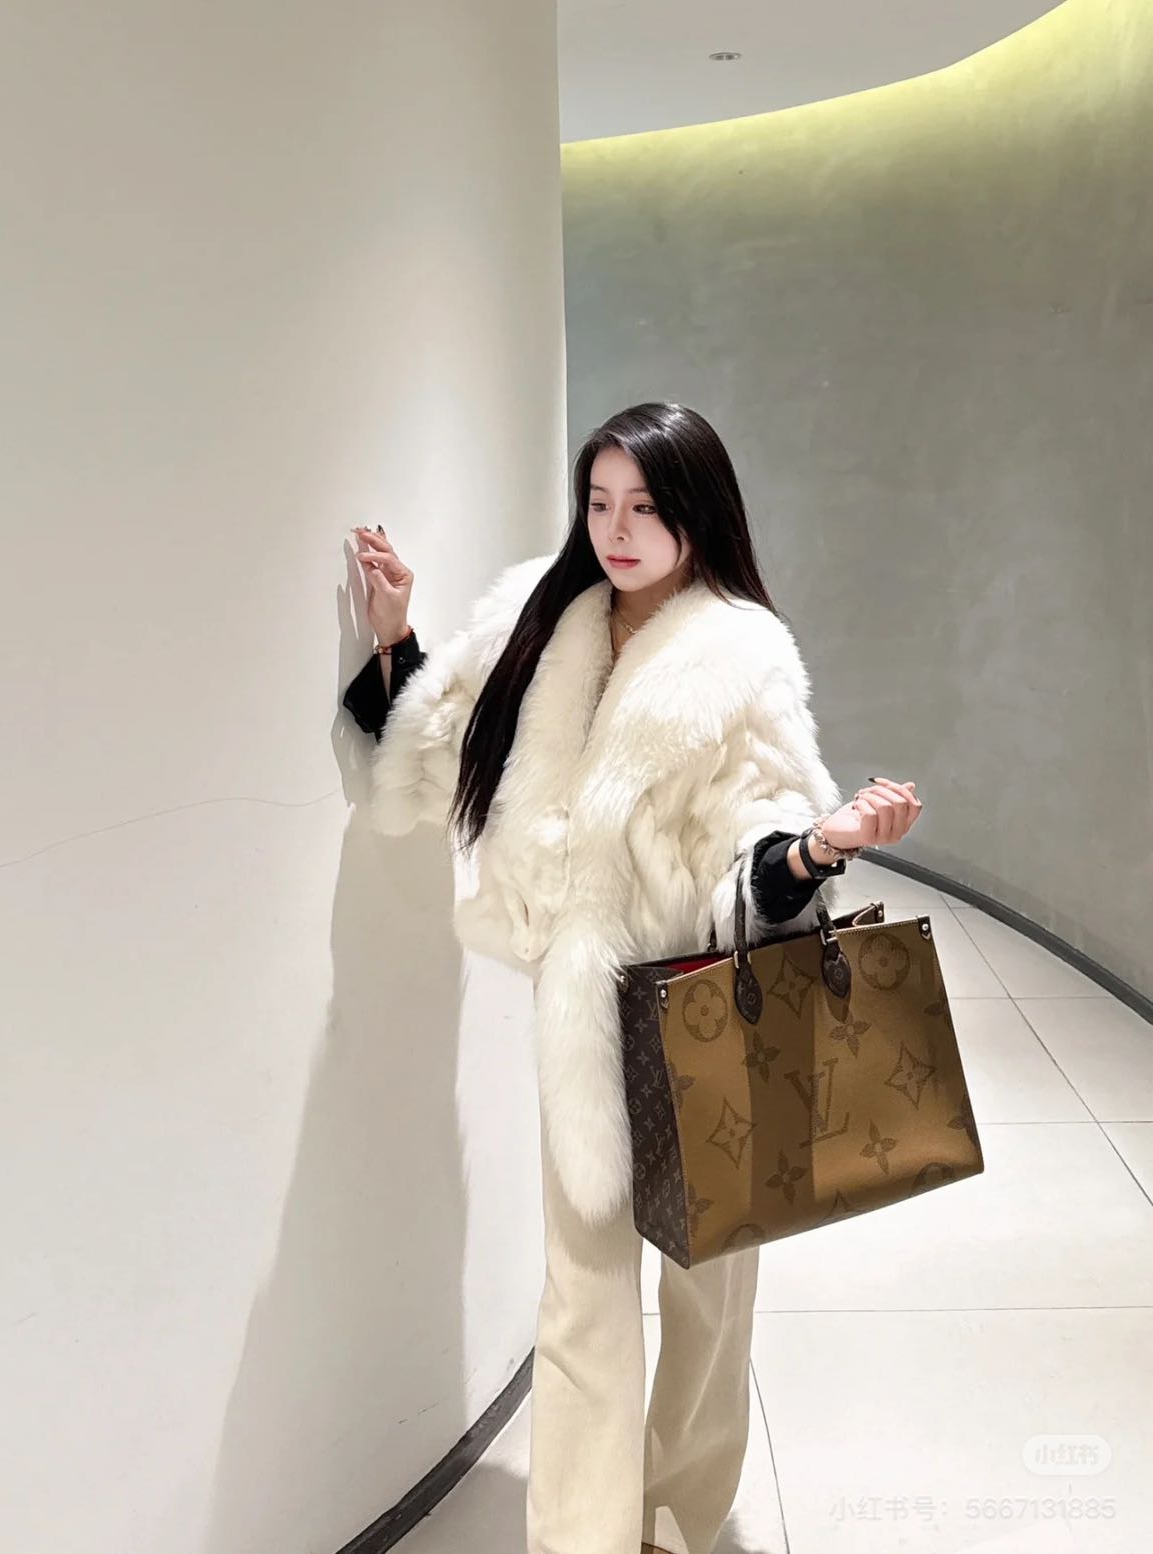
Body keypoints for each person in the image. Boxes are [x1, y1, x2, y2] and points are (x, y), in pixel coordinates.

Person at [341, 401, 922, 1554]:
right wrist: (396, 641)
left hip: (703, 1008)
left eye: (643, 507)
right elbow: (432, 755)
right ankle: (583, 1535)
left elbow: (755, 850)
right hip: (578, 1018)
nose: (615, 529)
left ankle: (679, 1511)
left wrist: (821, 847)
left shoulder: (741, 661)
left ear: (695, 516)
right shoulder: (534, 616)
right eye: (599, 502)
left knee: (709, 1295)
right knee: (581, 1295)